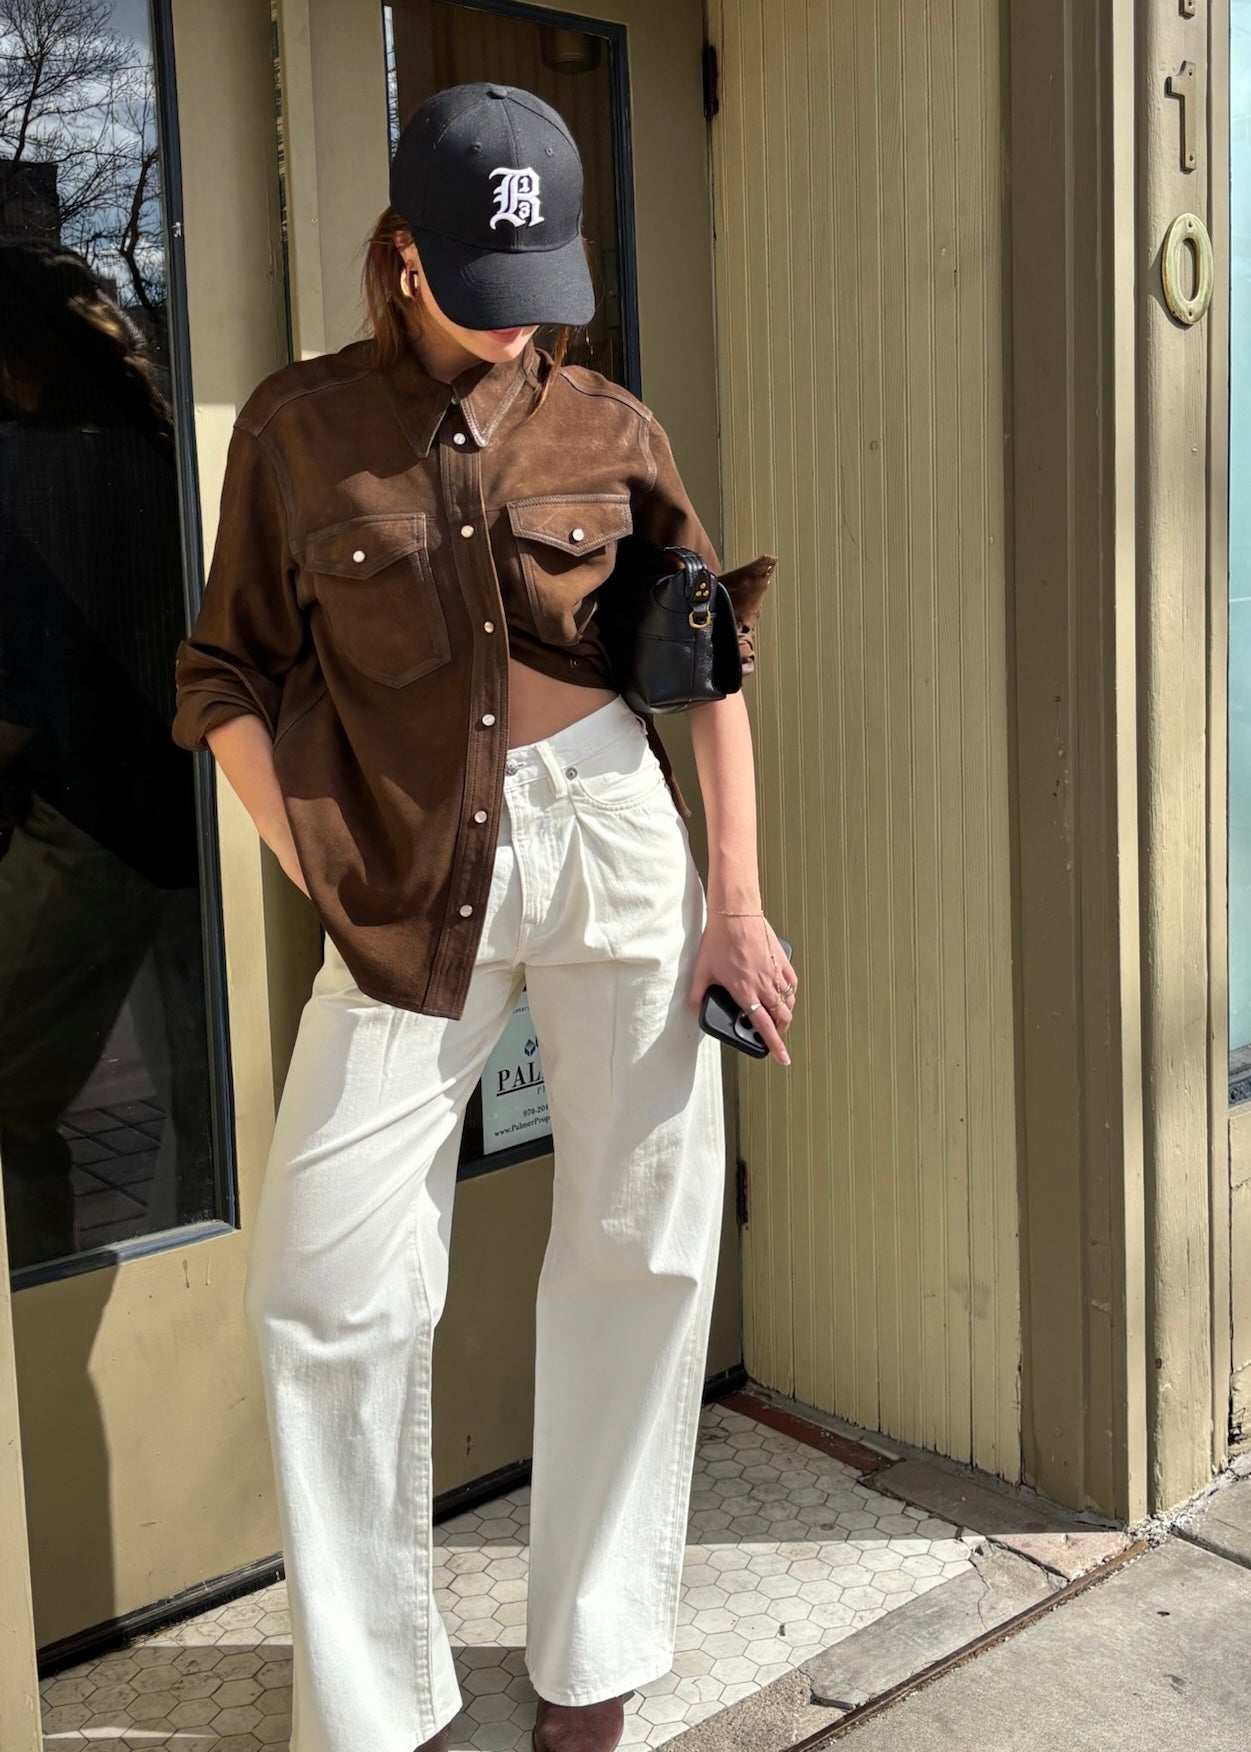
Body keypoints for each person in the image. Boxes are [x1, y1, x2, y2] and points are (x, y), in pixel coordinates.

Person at [171, 82, 797, 1752]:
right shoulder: (297, 430)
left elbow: (707, 668)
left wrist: (736, 907)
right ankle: (380, 1700)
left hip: (617, 845)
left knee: (643, 1243)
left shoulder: (610, 429)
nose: (519, 326)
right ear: (403, 255)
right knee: (323, 1284)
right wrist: (312, 859)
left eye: (541, 294)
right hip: (400, 870)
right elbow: (224, 674)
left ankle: (595, 1652)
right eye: (483, 289)